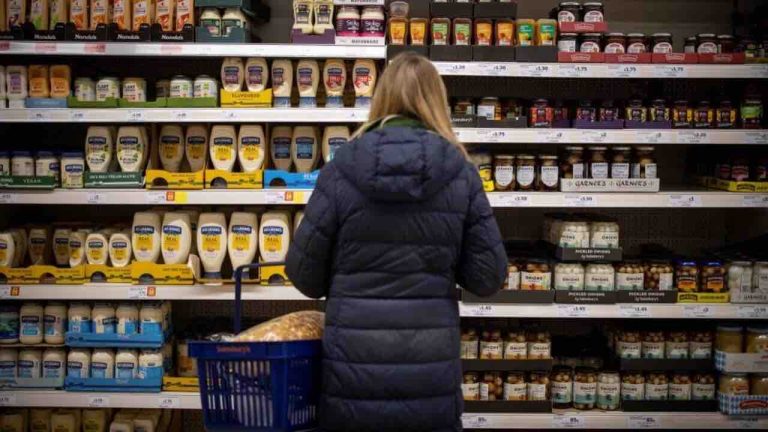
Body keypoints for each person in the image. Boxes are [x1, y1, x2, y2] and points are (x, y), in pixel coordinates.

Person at [286, 52, 508, 432]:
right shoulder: (460, 174)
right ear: (437, 103)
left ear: (380, 97)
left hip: (352, 377)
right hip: (429, 375)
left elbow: (305, 276)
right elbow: (488, 277)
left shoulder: (340, 169)